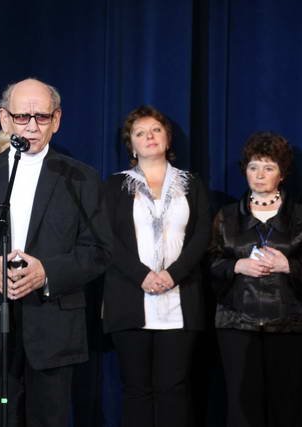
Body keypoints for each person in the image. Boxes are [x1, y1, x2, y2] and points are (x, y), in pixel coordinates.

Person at [0, 78, 112, 426]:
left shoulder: (82, 178)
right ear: (5, 119)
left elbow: (98, 250)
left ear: (56, 120)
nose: (32, 126)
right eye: (22, 117)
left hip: (53, 328)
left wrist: (47, 272)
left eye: (42, 117)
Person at [209, 132, 302, 427]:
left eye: (268, 167)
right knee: (242, 408)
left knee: (286, 406)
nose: (260, 175)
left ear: (282, 174)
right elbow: (209, 263)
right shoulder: (226, 216)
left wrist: (289, 265)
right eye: (253, 167)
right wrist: (237, 265)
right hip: (237, 323)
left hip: (289, 323)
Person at [103, 106, 210, 427]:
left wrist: (172, 274)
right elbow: (106, 238)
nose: (149, 137)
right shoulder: (115, 185)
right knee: (136, 390)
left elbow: (202, 235)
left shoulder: (191, 183)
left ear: (168, 138)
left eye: (156, 130)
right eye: (140, 133)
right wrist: (143, 276)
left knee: (173, 389)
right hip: (130, 297)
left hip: (179, 299)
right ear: (131, 145)